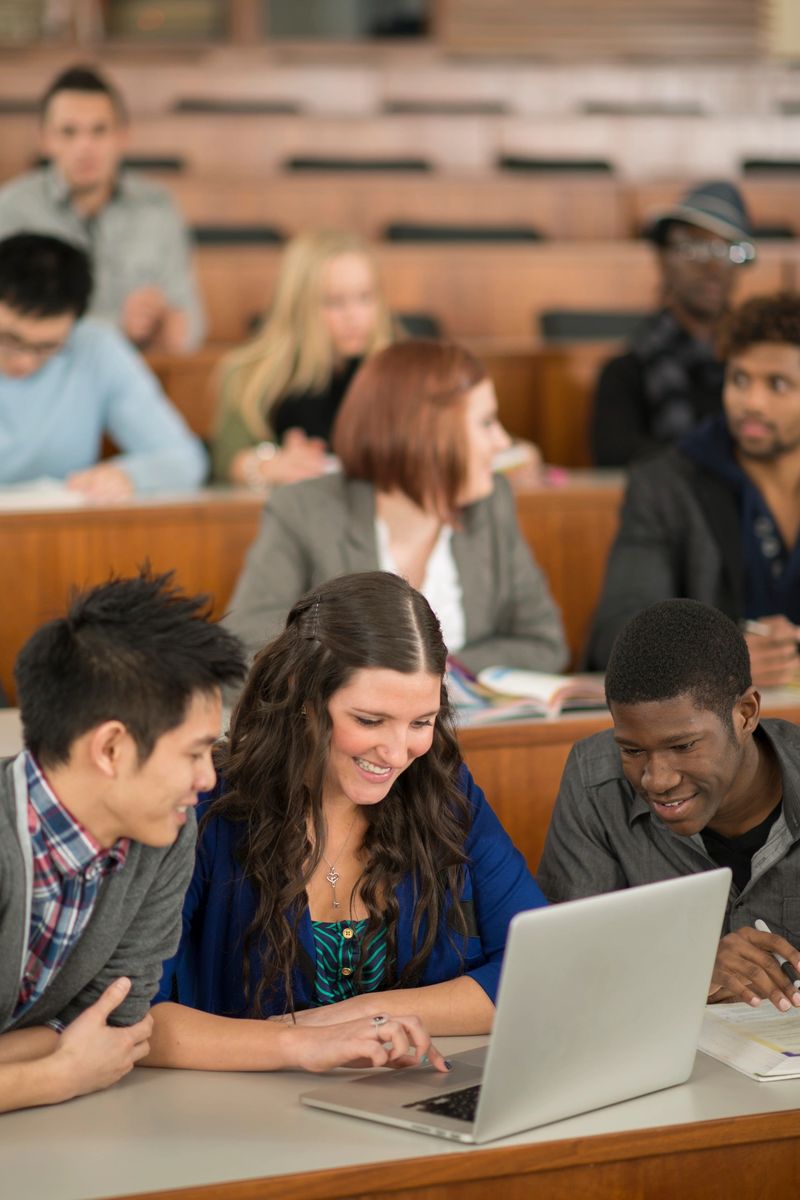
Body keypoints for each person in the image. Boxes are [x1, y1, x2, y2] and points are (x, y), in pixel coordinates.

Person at [147, 570, 546, 1073]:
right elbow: (134, 1019)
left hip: (407, 1101)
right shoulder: (205, 805)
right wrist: (304, 1043)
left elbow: (537, 969)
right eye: (370, 721)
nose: (399, 754)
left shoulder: (445, 790)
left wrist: (364, 1015)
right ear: (304, 698)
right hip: (237, 1118)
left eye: (421, 723)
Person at [0, 571, 247, 1113]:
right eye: (192, 753)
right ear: (111, 748)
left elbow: (116, 1023)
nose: (207, 779)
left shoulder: (162, 835)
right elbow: (83, 1051)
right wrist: (56, 1074)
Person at [224, 340, 568, 674]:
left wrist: (439, 674)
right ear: (426, 431)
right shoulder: (303, 510)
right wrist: (383, 687)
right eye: (486, 422)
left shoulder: (492, 504)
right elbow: (248, 652)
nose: (503, 441)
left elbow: (545, 644)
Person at [540, 599, 800, 1014]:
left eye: (684, 746)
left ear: (746, 714)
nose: (657, 779)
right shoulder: (594, 780)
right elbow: (562, 964)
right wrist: (688, 967)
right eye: (631, 749)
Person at [587, 292, 800, 687]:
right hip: (712, 727)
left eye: (777, 384)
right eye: (739, 379)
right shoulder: (664, 484)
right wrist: (721, 659)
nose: (750, 402)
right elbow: (616, 636)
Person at [0, 65, 203, 352]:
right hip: (44, 374)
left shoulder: (158, 207)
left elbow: (190, 321)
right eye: (69, 132)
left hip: (135, 373)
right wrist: (119, 325)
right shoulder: (12, 208)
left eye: (99, 130)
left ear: (123, 136)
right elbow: (10, 324)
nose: (85, 146)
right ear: (45, 139)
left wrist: (165, 325)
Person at [0, 232, 207, 499]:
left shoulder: (95, 348)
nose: (24, 361)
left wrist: (127, 476)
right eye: (9, 339)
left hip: (58, 532)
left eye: (47, 347)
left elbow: (184, 460)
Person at [591, 180, 755, 467]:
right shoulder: (626, 372)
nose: (714, 266)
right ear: (665, 259)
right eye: (696, 247)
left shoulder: (755, 367)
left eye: (728, 252)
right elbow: (615, 457)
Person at [211, 230, 394, 486]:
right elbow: (226, 460)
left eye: (365, 298)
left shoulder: (399, 370)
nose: (354, 316)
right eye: (335, 302)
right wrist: (269, 466)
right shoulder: (249, 374)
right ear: (299, 306)